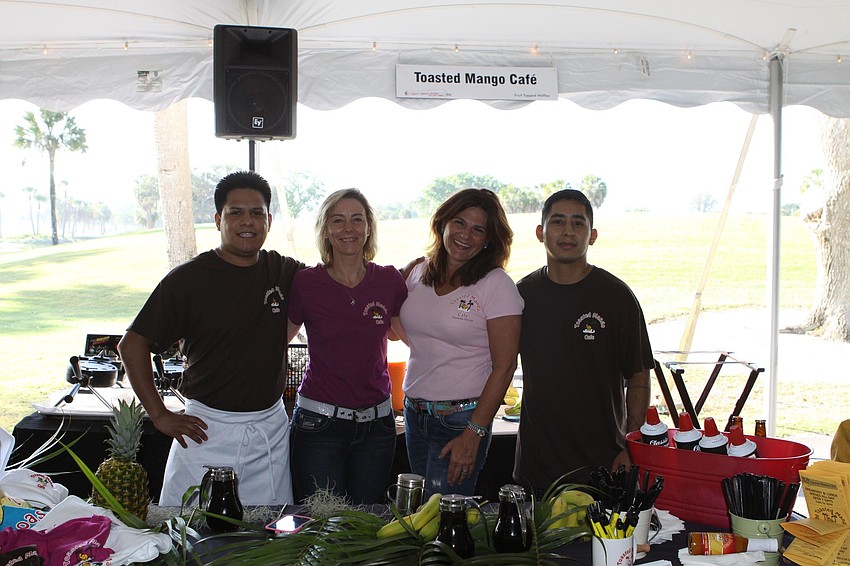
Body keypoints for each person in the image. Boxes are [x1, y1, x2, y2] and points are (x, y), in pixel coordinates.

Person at [118, 170, 304, 506]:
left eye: (256, 212)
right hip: (204, 429)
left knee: (266, 540)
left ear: (269, 220)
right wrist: (160, 415)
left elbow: (337, 282)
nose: (247, 221)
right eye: (235, 212)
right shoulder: (188, 279)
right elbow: (132, 345)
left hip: (269, 431)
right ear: (219, 219)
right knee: (189, 533)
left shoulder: (284, 270)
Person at [512, 189, 654, 492]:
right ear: (540, 232)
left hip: (604, 463)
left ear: (592, 235)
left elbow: (639, 374)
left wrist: (633, 445)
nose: (567, 232)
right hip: (538, 465)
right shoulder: (521, 295)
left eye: (578, 224)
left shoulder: (616, 296)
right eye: (557, 222)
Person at [393, 188, 522, 496]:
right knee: (421, 515)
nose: (466, 235)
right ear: (443, 223)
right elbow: (398, 326)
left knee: (443, 515)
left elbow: (505, 367)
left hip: (461, 419)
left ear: (490, 238)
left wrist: (474, 432)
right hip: (414, 414)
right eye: (460, 223)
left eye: (479, 229)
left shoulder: (496, 285)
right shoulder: (418, 272)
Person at [286, 189, 407, 504]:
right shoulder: (306, 283)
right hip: (318, 425)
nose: (348, 229)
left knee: (365, 530)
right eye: (338, 220)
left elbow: (408, 335)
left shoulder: (390, 280)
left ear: (369, 227)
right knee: (321, 526)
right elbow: (275, 342)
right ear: (326, 229)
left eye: (357, 219)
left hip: (377, 427)